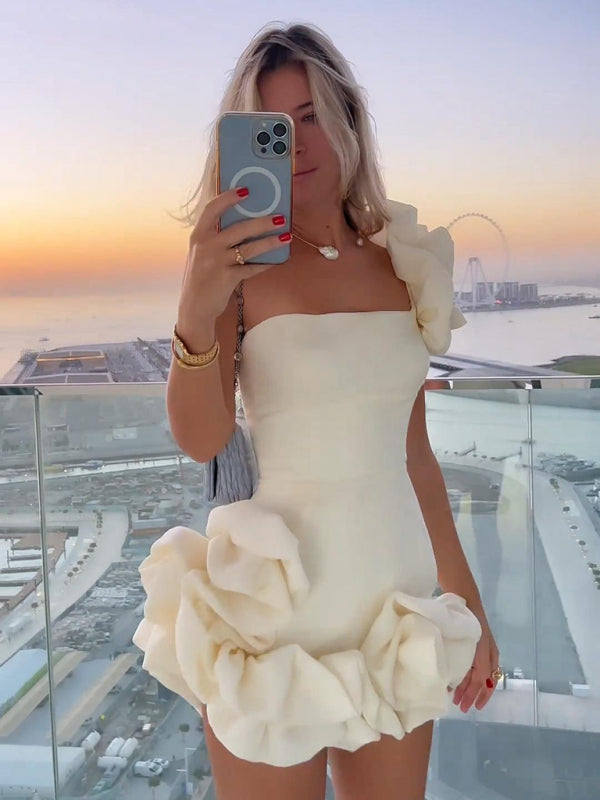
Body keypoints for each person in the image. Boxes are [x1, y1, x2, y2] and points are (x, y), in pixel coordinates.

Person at [133, 21, 501, 800]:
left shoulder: (401, 266)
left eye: (310, 117)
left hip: (394, 609)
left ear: (348, 122)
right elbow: (201, 436)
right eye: (271, 127)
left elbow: (415, 457)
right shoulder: (237, 271)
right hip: (277, 616)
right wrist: (196, 309)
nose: (295, 144)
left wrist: (466, 603)